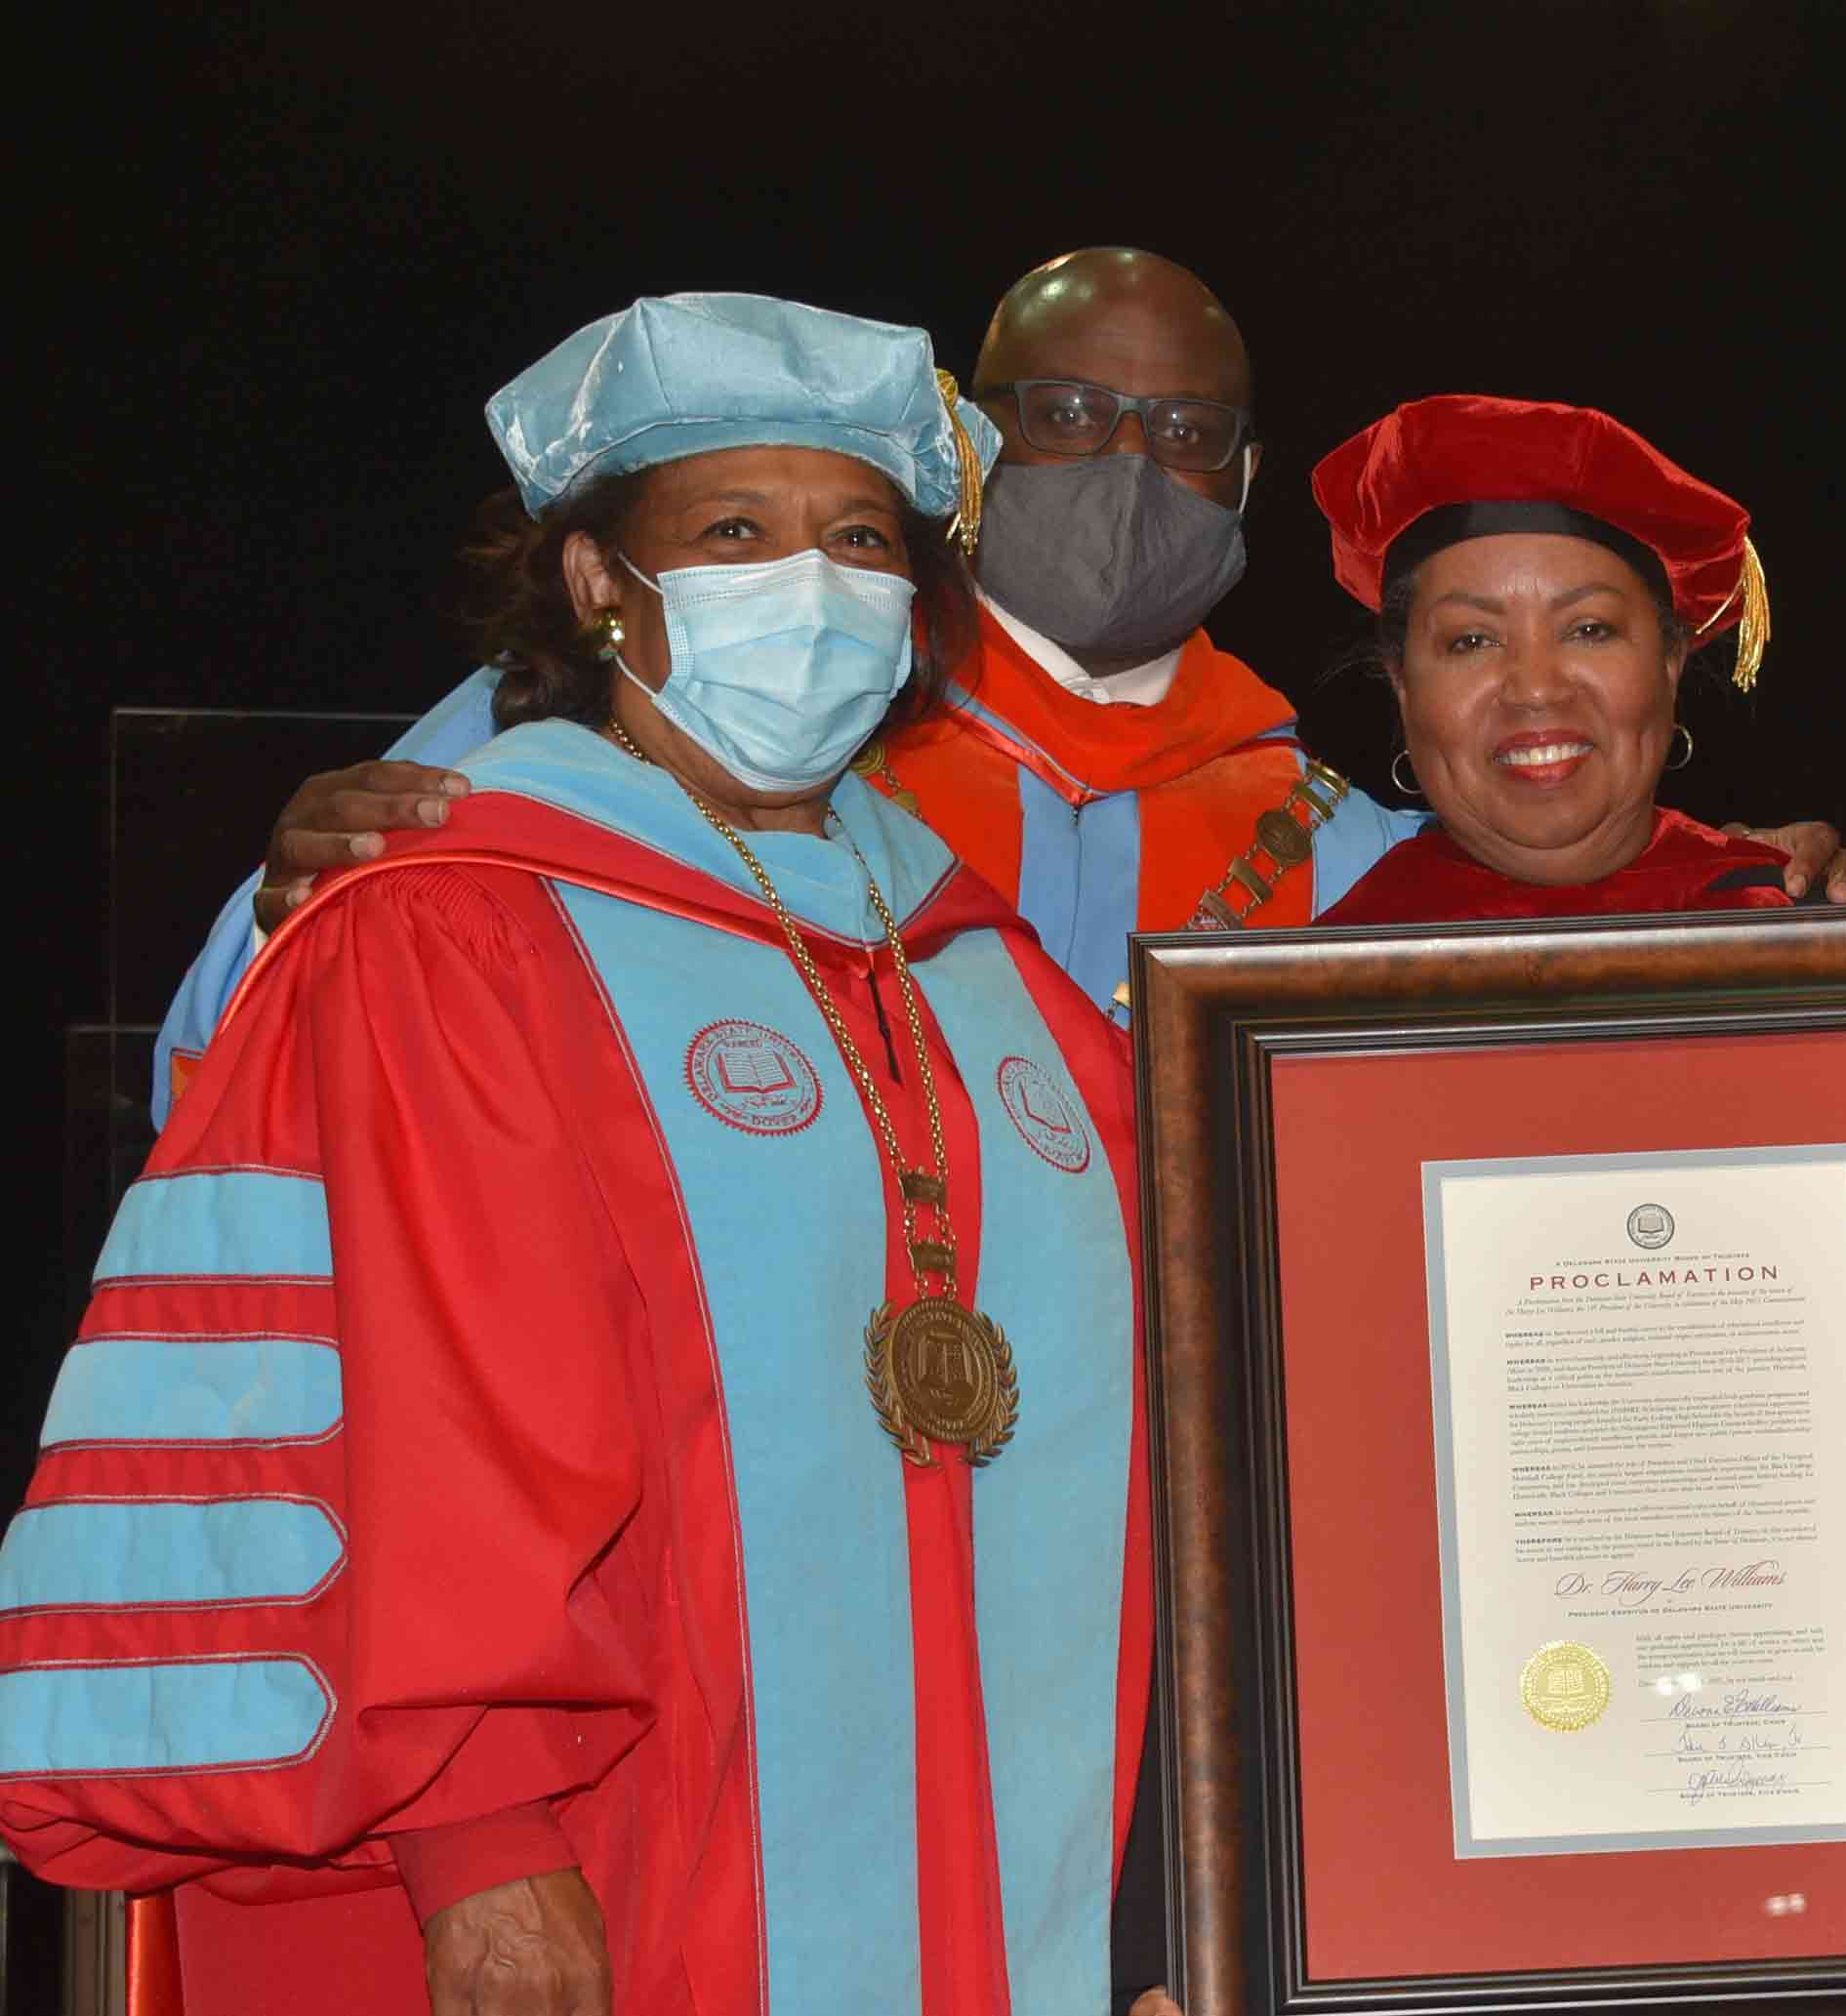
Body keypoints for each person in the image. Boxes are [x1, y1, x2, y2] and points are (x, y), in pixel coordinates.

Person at [2, 295, 1174, 2016]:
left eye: (860, 538)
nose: (811, 583)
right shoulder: (455, 931)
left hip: (995, 1867)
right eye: (731, 531)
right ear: (596, 582)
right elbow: (421, 1411)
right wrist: (478, 1840)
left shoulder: (1000, 990)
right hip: (600, 1859)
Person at [152, 251, 1846, 1121]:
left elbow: (1583, 934)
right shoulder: (714, 711)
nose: (1126, 463)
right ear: (969, 448)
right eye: (1064, 418)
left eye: (1186, 433)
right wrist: (296, 901)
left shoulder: (1352, 851)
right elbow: (254, 1057)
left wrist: (1760, 889)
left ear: (1244, 473)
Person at [1311, 394, 1803, 925]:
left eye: (1589, 630)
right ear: (1402, 687)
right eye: (1472, 641)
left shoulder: (1807, 930)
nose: (1535, 689)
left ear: (1670, 662)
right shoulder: (1320, 981)